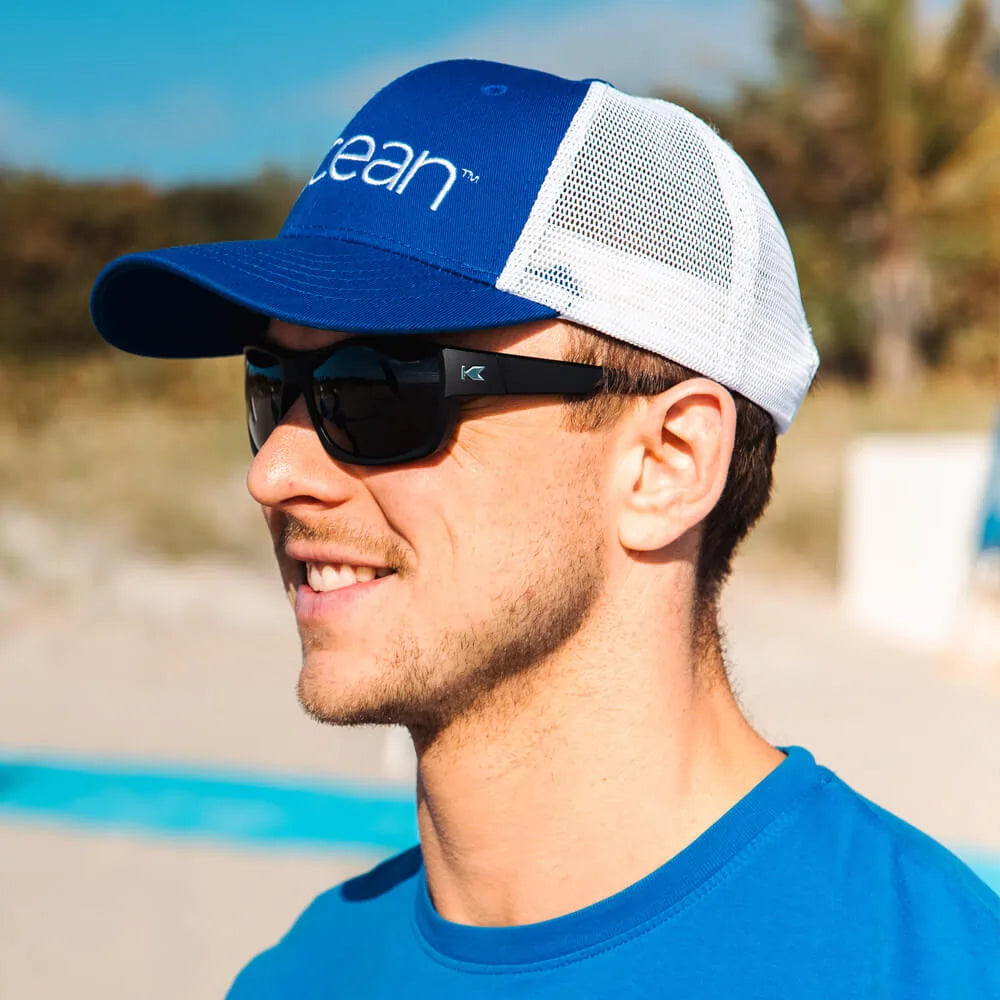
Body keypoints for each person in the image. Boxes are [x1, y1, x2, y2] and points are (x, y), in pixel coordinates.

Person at [90, 59, 999, 998]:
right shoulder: (298, 976)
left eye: (380, 388)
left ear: (667, 462)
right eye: (270, 387)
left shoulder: (933, 971)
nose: (274, 474)